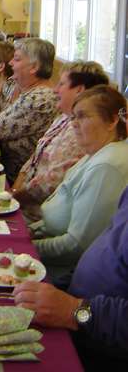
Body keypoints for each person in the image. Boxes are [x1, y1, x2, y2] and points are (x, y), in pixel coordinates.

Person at [14, 184, 128, 371]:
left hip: (99, 348)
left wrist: (73, 310)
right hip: (75, 309)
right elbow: (104, 253)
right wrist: (58, 287)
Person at [30, 84, 128, 285]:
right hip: (44, 256)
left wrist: (26, 247)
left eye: (82, 116)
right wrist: (26, 232)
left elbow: (77, 246)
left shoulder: (106, 166)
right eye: (73, 116)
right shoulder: (96, 154)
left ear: (112, 121)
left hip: (59, 275)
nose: (73, 123)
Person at [13, 61, 109, 222]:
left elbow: (51, 183)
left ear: (79, 90)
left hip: (38, 217)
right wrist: (14, 189)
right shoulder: (63, 117)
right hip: (21, 204)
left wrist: (12, 198)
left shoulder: (81, 131)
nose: (56, 89)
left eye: (62, 84)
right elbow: (34, 159)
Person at [0, 38, 58, 183]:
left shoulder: (39, 99)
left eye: (16, 59)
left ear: (34, 67)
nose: (11, 63)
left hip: (16, 178)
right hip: (2, 165)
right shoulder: (18, 86)